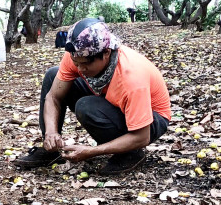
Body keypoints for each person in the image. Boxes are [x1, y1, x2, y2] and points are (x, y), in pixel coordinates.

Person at [13, 18, 171, 175]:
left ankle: (131, 153)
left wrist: (92, 151)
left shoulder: (131, 77)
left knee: (86, 107)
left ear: (106, 53)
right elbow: (53, 97)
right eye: (76, 63)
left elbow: (142, 137)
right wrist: (51, 133)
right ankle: (50, 150)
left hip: (151, 121)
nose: (80, 68)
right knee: (53, 75)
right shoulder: (78, 54)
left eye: (86, 64)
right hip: (112, 101)